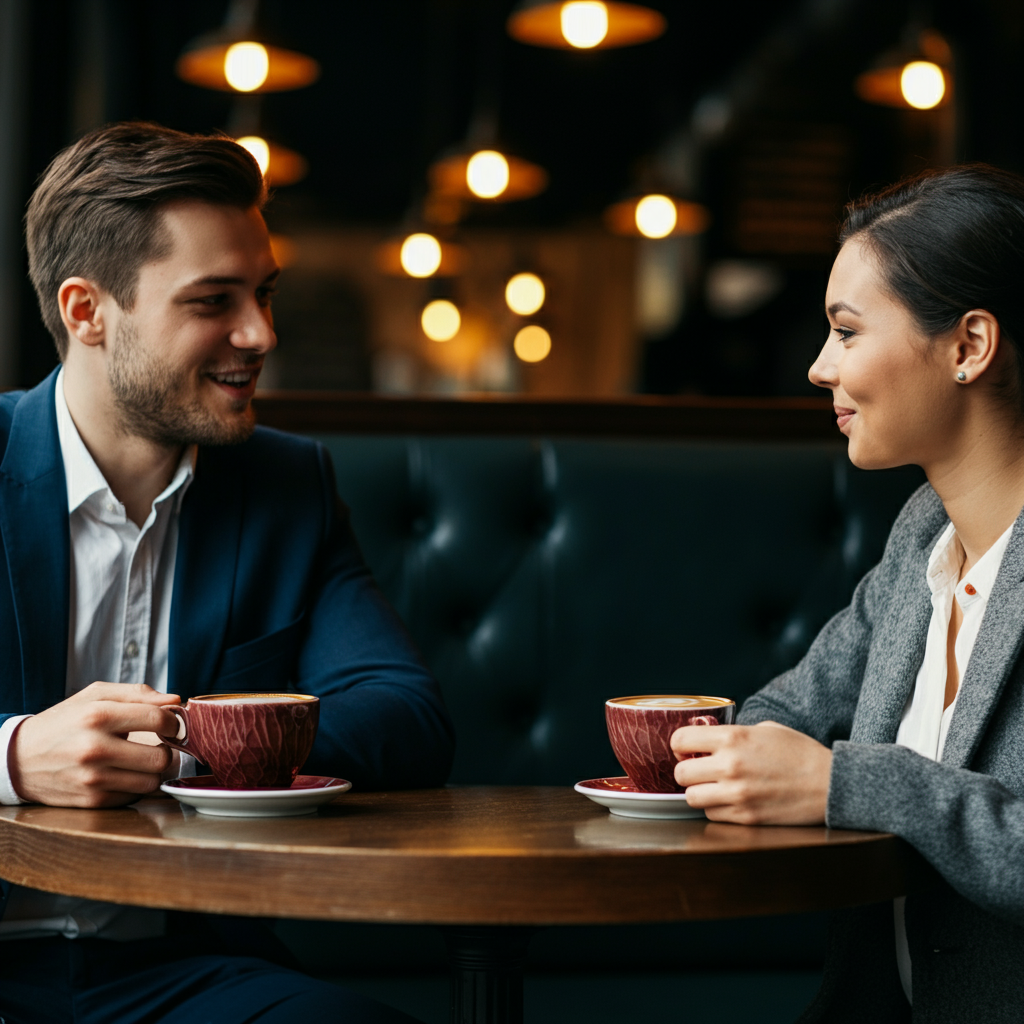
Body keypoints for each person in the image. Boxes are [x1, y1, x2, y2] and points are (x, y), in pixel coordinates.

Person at [0, 122, 455, 1023]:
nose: (260, 332)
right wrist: (14, 757)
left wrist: (189, 744)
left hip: (180, 965)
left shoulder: (288, 485)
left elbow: (406, 717)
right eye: (214, 301)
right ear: (87, 311)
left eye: (264, 293)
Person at [670, 164, 1024, 1022]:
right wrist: (745, 761)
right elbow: (782, 712)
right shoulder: (921, 541)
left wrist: (845, 783)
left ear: (969, 346)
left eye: (846, 331)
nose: (818, 367)